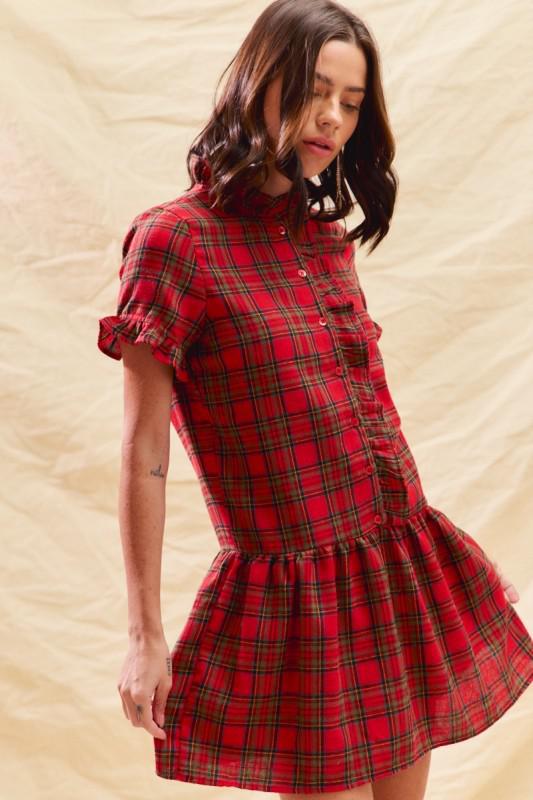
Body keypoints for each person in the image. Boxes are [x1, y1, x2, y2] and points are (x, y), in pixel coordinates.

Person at [97, 1, 533, 797]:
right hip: (300, 609)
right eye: (313, 90)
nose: (331, 118)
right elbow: (142, 455)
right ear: (256, 85)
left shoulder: (323, 242)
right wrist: (144, 635)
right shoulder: (174, 242)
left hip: (394, 573)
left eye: (352, 102)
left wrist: (430, 561)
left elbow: (360, 425)